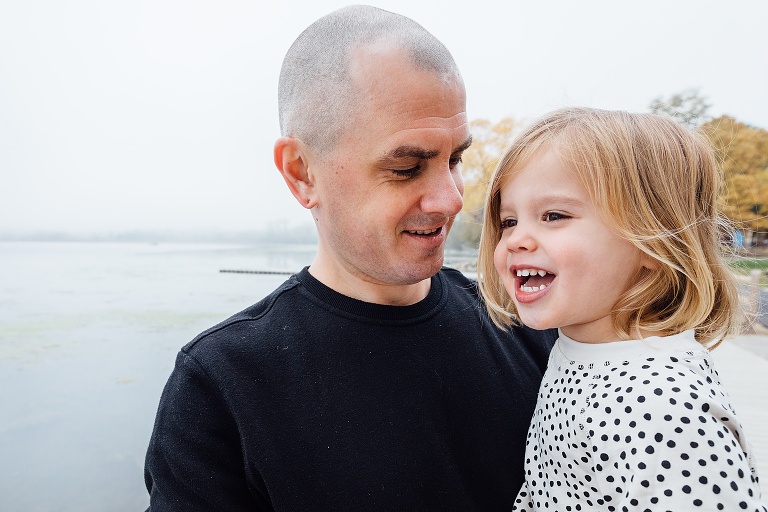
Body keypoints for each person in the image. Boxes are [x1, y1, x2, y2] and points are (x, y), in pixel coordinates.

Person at [143, 5, 556, 511]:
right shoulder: (223, 384)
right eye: (406, 167)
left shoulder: (530, 325)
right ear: (302, 173)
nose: (451, 199)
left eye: (455, 159)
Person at [478, 107, 768, 511]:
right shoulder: (576, 350)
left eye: (554, 215)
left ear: (653, 242)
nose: (516, 240)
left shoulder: (664, 406)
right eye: (509, 221)